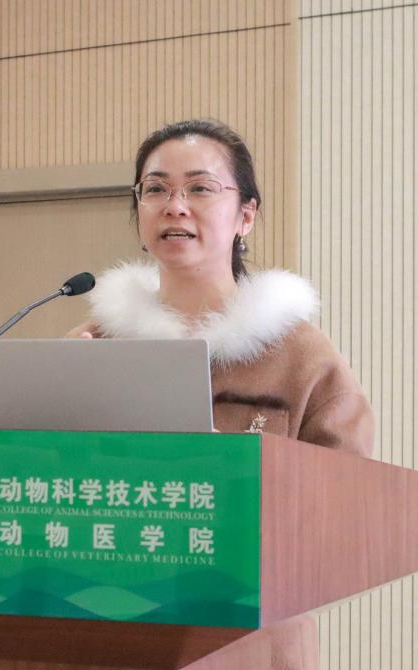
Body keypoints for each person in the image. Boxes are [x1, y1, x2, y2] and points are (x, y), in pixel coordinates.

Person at [69, 119, 375, 457]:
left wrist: (233, 464)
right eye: (155, 189)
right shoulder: (94, 346)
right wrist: (68, 406)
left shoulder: (305, 359)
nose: (175, 207)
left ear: (246, 215)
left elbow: (351, 483)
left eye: (200, 188)